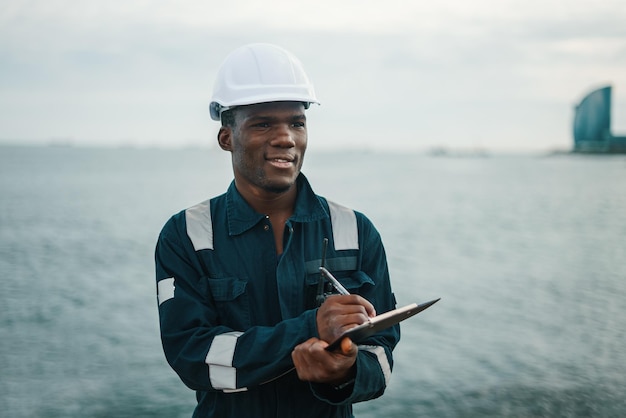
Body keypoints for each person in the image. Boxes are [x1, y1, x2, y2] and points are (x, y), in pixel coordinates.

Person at [155, 43, 400, 417]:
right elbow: (193, 356)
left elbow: (380, 354)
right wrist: (311, 328)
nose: (286, 137)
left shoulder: (355, 230)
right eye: (263, 123)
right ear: (227, 138)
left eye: (297, 122)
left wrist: (345, 370)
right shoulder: (187, 235)